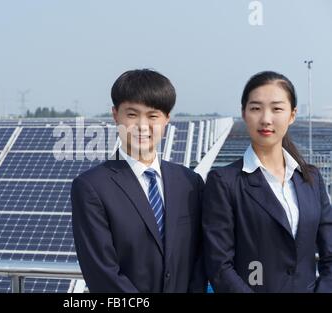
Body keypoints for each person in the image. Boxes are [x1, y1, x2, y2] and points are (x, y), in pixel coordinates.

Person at [71, 69, 206, 292]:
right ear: (115, 115)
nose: (143, 125)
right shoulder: (91, 187)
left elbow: (200, 257)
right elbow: (102, 272)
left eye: (153, 116)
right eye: (132, 115)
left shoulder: (190, 182)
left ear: (167, 119)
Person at [203, 71, 332, 292]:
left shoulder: (310, 178)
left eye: (277, 108)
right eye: (255, 108)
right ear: (243, 113)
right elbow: (219, 265)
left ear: (292, 115)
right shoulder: (224, 182)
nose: (266, 119)